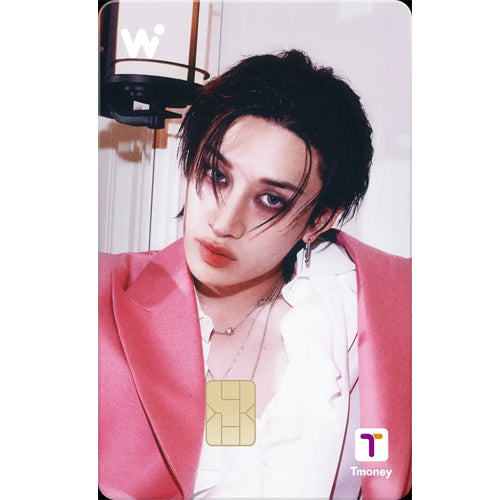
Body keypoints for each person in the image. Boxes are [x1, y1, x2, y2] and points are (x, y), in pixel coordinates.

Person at [99, 50, 411, 499]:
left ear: (319, 220)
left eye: (271, 200)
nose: (224, 222)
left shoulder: (359, 316)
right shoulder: (100, 296)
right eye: (217, 175)